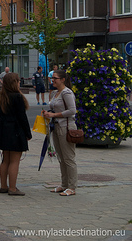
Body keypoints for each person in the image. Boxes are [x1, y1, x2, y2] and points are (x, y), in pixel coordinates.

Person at [0, 72, 32, 196]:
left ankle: (3, 186)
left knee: (5, 160)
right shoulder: (17, 97)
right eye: (18, 81)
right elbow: (22, 117)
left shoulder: (1, 96)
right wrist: (28, 133)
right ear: (14, 83)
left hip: (4, 130)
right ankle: (12, 188)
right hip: (16, 130)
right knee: (15, 161)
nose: (19, 83)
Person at [43, 68, 78, 196]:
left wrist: (54, 115)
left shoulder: (66, 93)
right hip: (56, 127)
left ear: (63, 80)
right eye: (52, 78)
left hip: (66, 127)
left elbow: (72, 111)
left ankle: (72, 187)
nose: (52, 80)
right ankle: (64, 184)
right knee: (61, 158)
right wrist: (48, 114)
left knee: (68, 158)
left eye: (55, 78)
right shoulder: (55, 93)